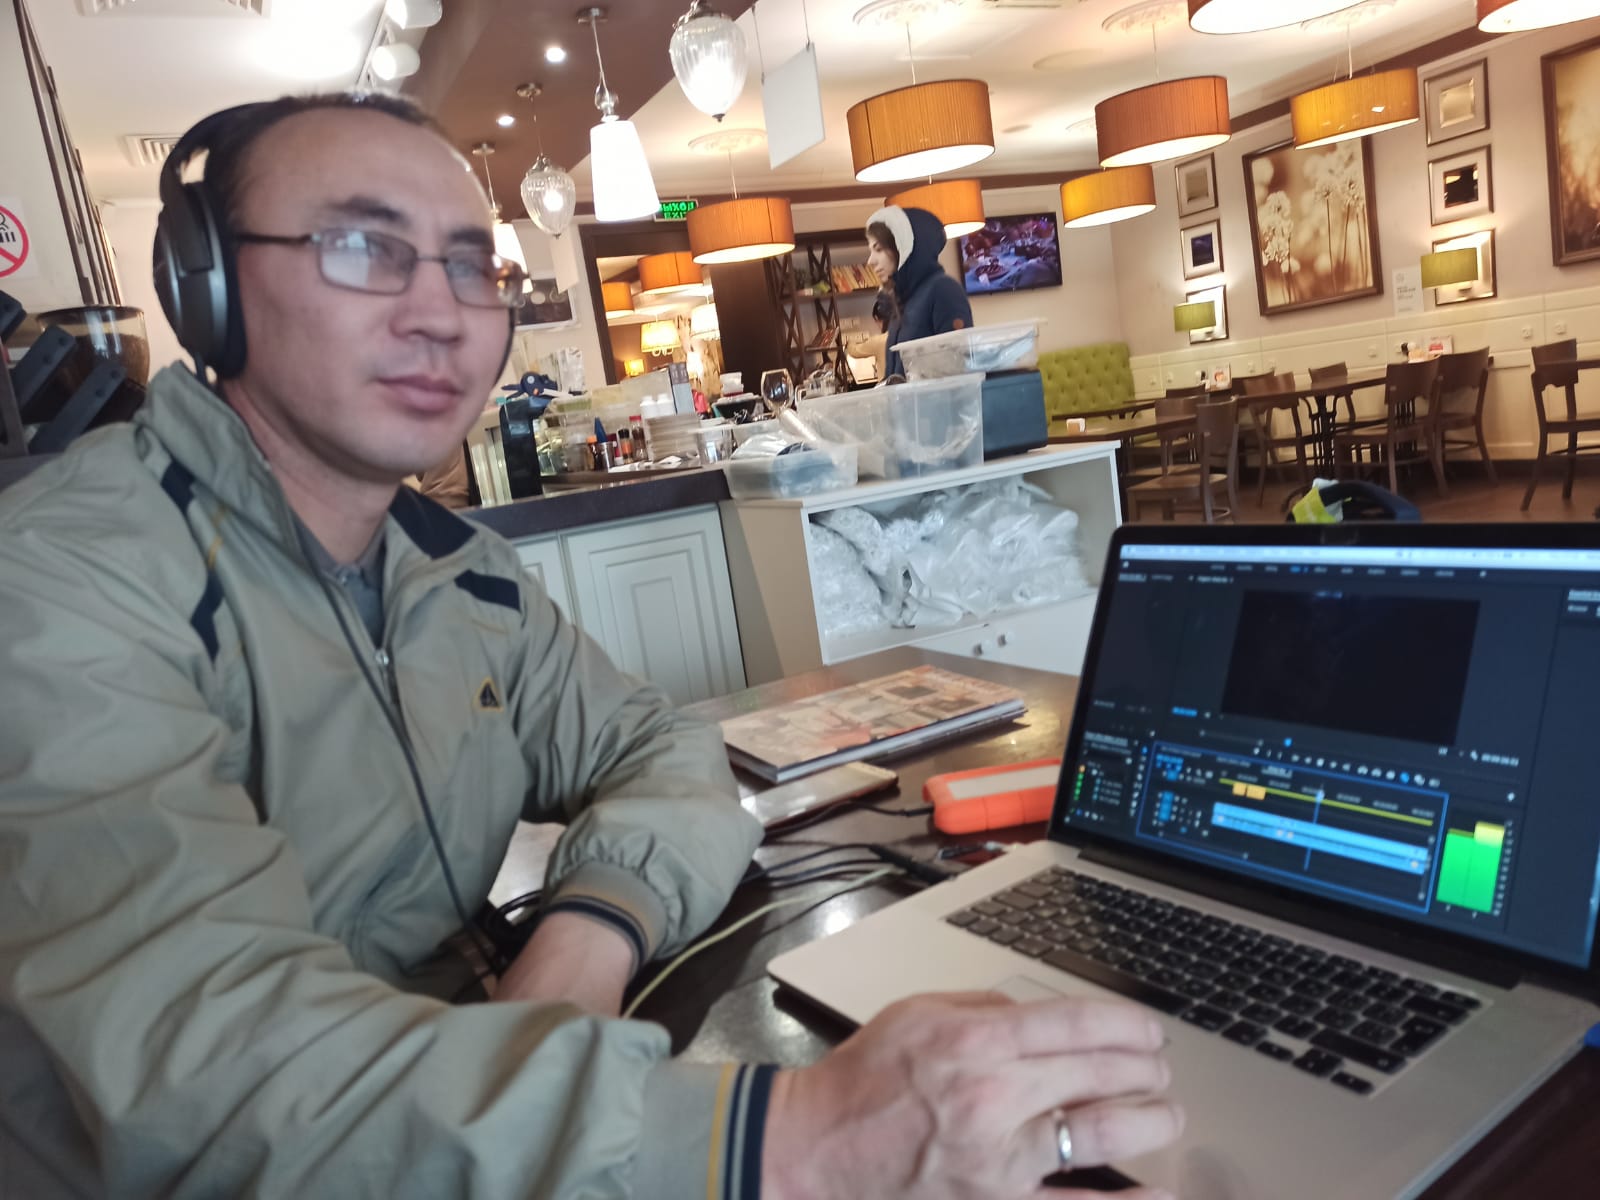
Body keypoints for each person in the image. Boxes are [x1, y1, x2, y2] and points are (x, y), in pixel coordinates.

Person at [0, 93, 1183, 1199]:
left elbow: (662, 747)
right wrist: (805, 1139)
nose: (439, 312)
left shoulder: (457, 571)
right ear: (206, 288)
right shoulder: (62, 580)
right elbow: (208, 1063)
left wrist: (589, 931)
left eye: (471, 265)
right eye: (362, 247)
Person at [865, 204, 974, 380]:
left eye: (878, 249)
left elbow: (959, 371)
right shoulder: (902, 302)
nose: (871, 260)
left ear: (904, 247)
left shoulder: (943, 289)